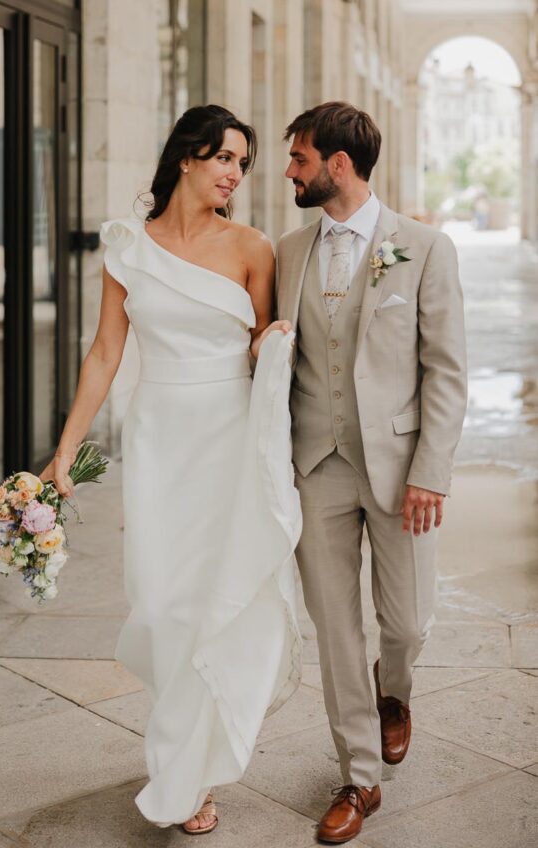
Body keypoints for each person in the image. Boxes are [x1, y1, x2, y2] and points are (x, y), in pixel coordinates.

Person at [40, 104, 302, 834]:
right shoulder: (128, 246)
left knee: (209, 605)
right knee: (159, 606)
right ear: (185, 157)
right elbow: (103, 354)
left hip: (227, 437)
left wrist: (273, 343)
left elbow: (258, 349)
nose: (233, 174)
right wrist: (65, 450)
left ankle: (192, 776)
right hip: (160, 439)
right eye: (223, 157)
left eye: (242, 163)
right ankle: (180, 750)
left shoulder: (252, 248)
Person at [276, 102, 467, 845]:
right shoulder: (288, 250)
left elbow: (445, 371)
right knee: (332, 628)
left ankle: (396, 692)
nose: (289, 171)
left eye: (299, 159)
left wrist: (432, 471)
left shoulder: (422, 247)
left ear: (338, 165)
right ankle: (359, 777)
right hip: (314, 466)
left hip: (398, 471)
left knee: (407, 621)